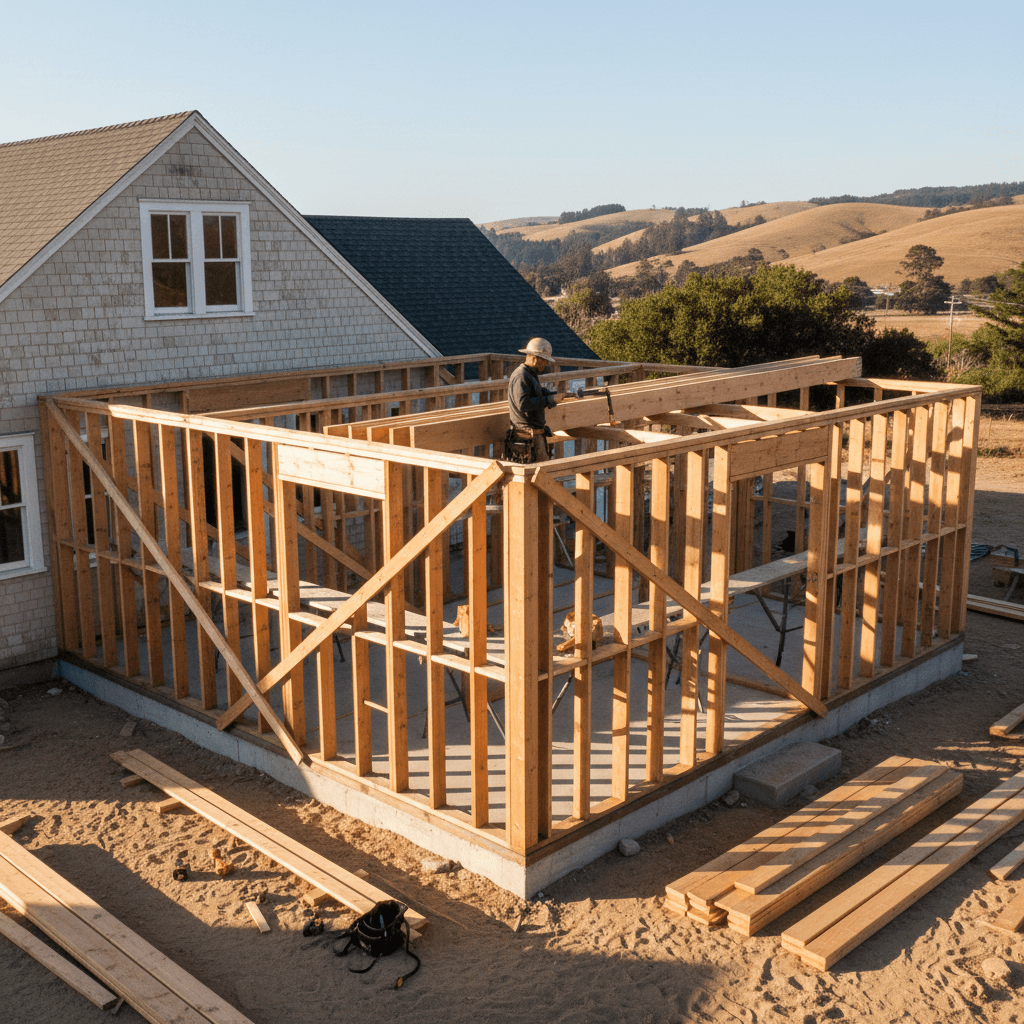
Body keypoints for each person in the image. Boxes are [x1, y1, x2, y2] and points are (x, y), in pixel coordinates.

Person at [507, 337, 559, 462]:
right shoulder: (521, 376)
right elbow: (523, 404)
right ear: (535, 358)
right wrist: (548, 400)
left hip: (533, 435)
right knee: (536, 476)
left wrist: (549, 395)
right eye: (545, 360)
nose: (546, 364)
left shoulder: (529, 374)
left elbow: (534, 393)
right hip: (527, 437)